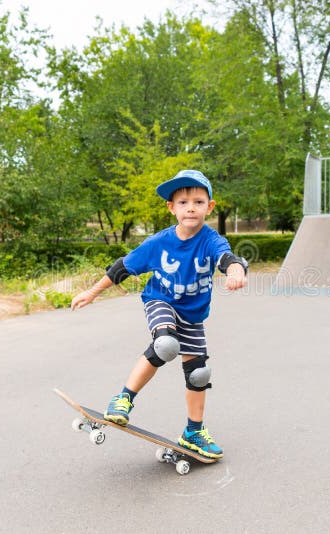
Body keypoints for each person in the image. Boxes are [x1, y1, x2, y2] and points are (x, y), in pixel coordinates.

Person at [70, 169, 248, 459]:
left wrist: (236, 270)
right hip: (160, 300)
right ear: (171, 207)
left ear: (210, 207)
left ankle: (193, 432)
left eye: (199, 202)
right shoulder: (159, 242)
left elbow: (227, 258)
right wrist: (92, 292)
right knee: (165, 345)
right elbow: (122, 267)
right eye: (183, 202)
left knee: (199, 373)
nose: (191, 208)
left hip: (193, 315)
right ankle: (123, 399)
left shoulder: (210, 240)